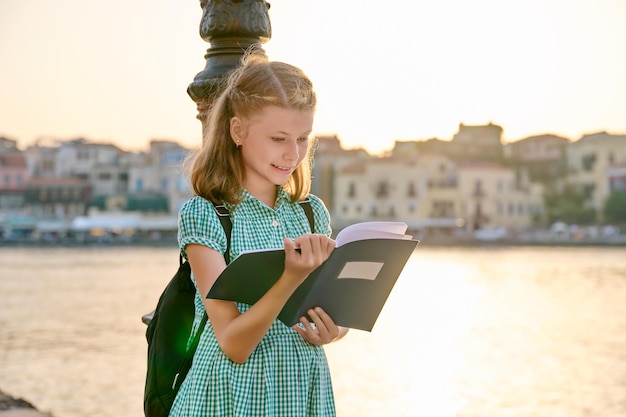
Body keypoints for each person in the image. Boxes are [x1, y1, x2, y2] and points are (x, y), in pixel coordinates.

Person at [169, 51, 348, 417]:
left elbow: (331, 313)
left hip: (301, 391)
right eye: (279, 138)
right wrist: (290, 277)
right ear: (238, 131)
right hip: (229, 397)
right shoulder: (206, 215)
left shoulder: (311, 213)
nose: (293, 154)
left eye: (303, 138)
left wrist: (334, 329)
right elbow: (233, 344)